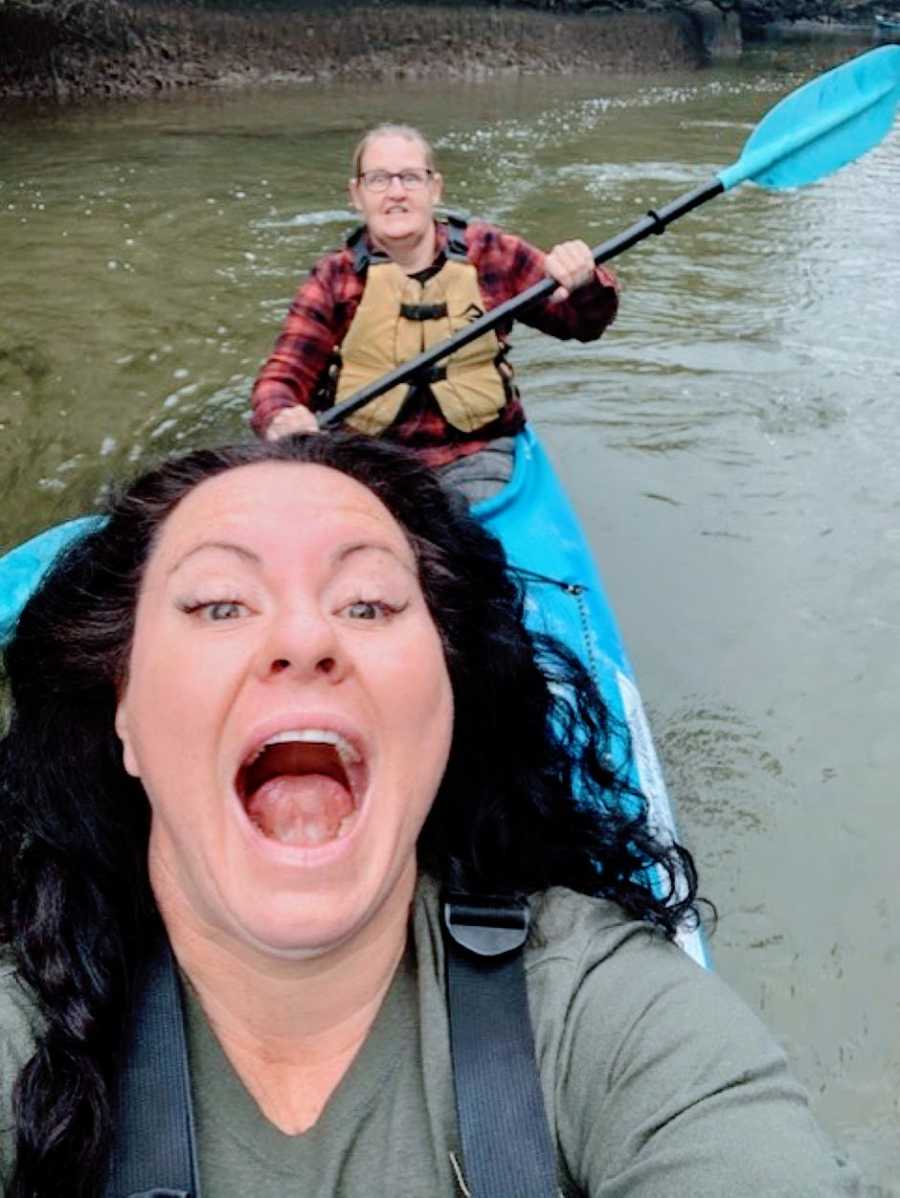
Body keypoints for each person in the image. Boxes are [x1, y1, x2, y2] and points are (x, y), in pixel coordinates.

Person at [0, 433, 856, 1197]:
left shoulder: (612, 1019)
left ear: (449, 704)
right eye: (219, 604)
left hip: (470, 451)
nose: (305, 637)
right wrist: (291, 416)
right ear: (123, 714)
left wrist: (572, 295)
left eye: (368, 604)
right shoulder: (21, 1031)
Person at [250, 124, 619, 500]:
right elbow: (281, 379)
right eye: (378, 179)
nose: (396, 192)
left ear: (435, 188)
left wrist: (584, 279)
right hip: (366, 460)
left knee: (463, 533)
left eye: (410, 177)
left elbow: (583, 324)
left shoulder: (491, 252)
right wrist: (281, 416)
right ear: (357, 195)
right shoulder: (333, 277)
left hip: (476, 455)